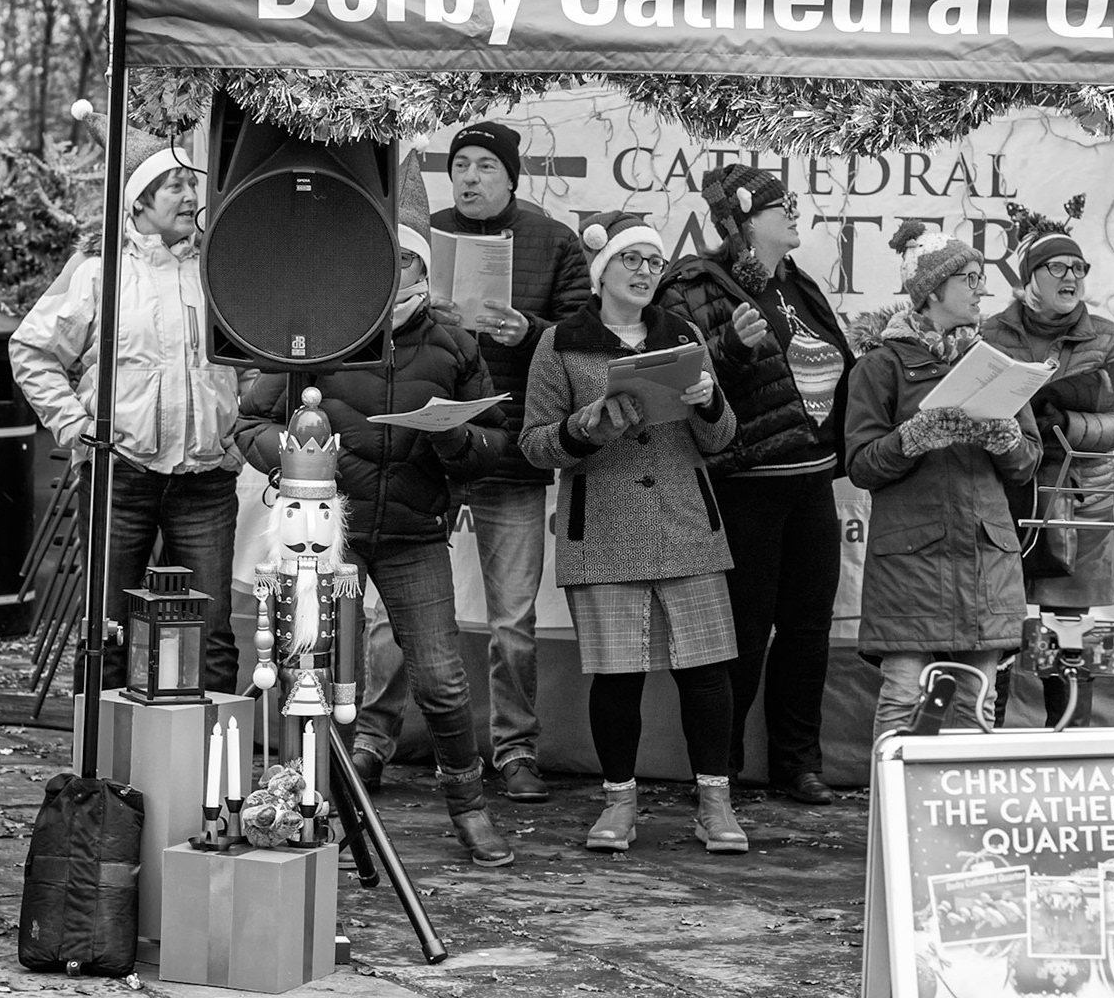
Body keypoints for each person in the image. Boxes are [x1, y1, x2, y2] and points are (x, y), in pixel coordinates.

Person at [238, 158, 517, 867]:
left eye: (412, 270)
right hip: (325, 539)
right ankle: (302, 801)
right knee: (310, 671)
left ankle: (468, 806)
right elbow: (245, 425)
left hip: (412, 535)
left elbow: (492, 446)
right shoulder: (320, 335)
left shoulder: (455, 345)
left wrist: (455, 437)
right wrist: (300, 457)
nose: (400, 284)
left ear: (426, 278)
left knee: (443, 681)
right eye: (387, 268)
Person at [352, 120, 592, 804]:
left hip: (509, 453)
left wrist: (533, 332)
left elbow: (588, 335)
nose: (471, 177)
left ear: (513, 177)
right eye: (460, 165)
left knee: (513, 620)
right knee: (388, 612)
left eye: (487, 165)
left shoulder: (552, 241)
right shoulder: (416, 243)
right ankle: (375, 738)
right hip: (421, 454)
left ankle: (514, 751)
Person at [519, 211, 746, 854]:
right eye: (632, 261)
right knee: (616, 677)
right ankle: (619, 802)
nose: (646, 272)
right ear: (602, 272)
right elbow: (535, 444)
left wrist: (708, 403)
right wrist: (585, 425)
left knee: (706, 673)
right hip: (605, 527)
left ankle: (714, 802)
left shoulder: (682, 336)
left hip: (685, 522)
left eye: (654, 262)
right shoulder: (561, 341)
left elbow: (721, 439)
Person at [10, 102, 244, 693]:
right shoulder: (98, 271)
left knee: (211, 631)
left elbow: (249, 362)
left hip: (206, 480)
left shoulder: (221, 268)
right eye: (174, 185)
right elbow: (32, 351)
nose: (189, 195)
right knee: (107, 629)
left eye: (192, 183)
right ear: (138, 201)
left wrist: (241, 429)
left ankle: (206, 774)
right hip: (121, 478)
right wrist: (74, 425)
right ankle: (104, 775)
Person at [654, 164, 853, 806]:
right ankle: (723, 768)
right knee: (742, 631)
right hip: (748, 486)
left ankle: (799, 763)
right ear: (742, 224)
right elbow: (673, 376)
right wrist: (731, 346)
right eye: (780, 206)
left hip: (812, 482)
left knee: (807, 630)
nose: (797, 213)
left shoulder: (800, 284)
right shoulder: (695, 283)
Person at [843, 221, 1040, 738]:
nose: (982, 288)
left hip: (985, 554)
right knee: (905, 697)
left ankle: (968, 821)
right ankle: (890, 816)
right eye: (970, 278)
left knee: (978, 702)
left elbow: (1027, 464)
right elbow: (861, 466)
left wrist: (1008, 442)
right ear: (933, 291)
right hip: (911, 563)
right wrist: (912, 438)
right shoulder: (880, 365)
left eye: (981, 276)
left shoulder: (997, 364)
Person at [981, 199, 1114, 726]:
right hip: (1008, 491)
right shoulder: (991, 333)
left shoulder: (1109, 338)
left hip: (1082, 500)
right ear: (1030, 280)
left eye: (1079, 268)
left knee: (1067, 631)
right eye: (1058, 267)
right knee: (997, 620)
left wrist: (1065, 424)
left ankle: (1065, 740)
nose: (1071, 276)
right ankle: (988, 742)